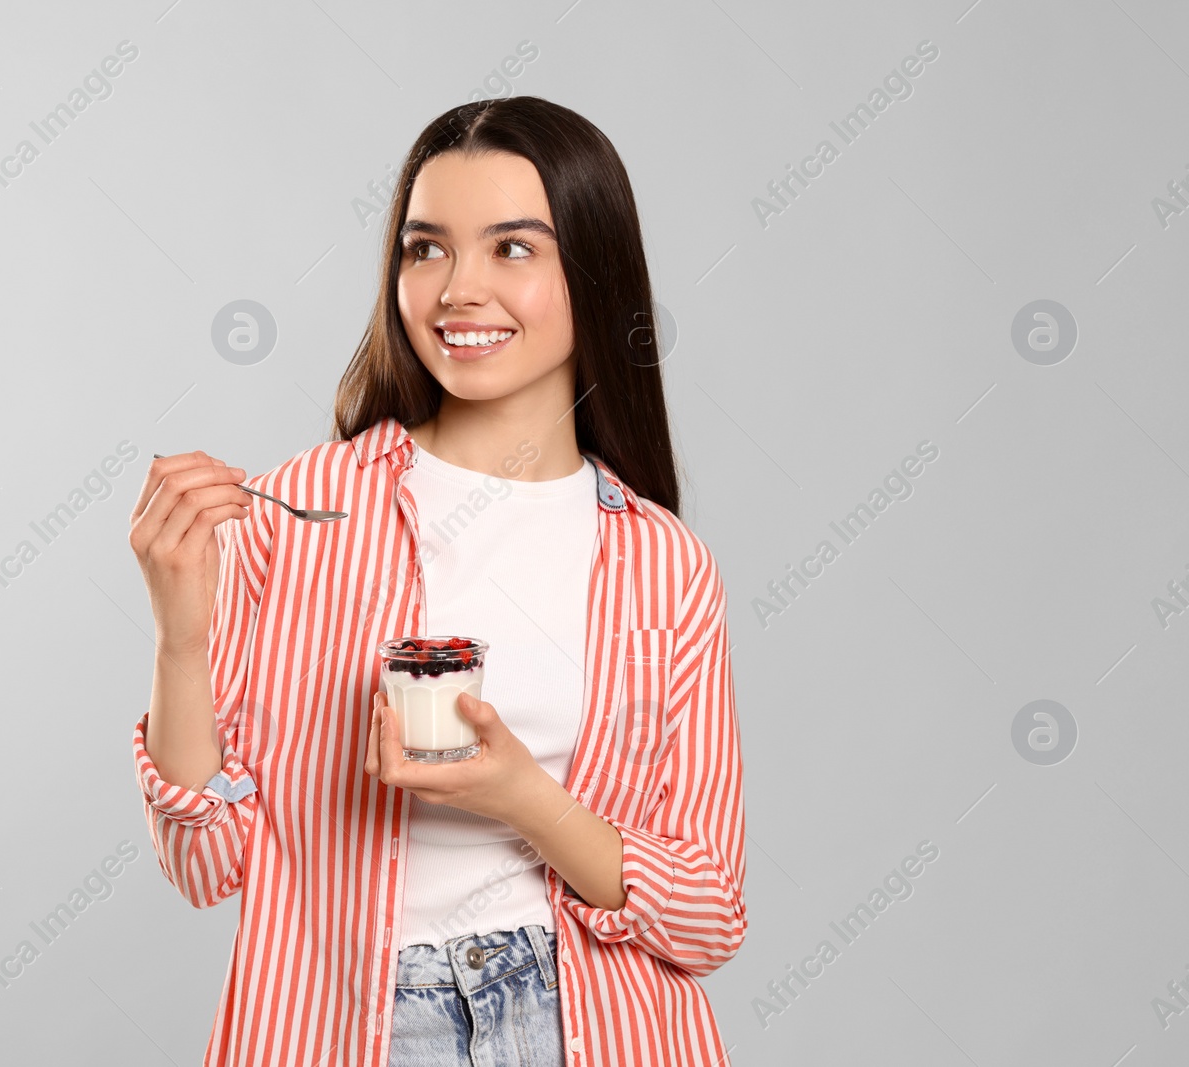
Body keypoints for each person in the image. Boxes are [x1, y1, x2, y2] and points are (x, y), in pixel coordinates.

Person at [128, 96, 747, 1067]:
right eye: (426, 249)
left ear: (592, 269)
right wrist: (180, 636)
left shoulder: (662, 561)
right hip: (351, 1024)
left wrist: (521, 797)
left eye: (511, 248)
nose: (458, 288)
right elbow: (208, 864)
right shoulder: (304, 511)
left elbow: (707, 914)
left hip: (589, 1023)